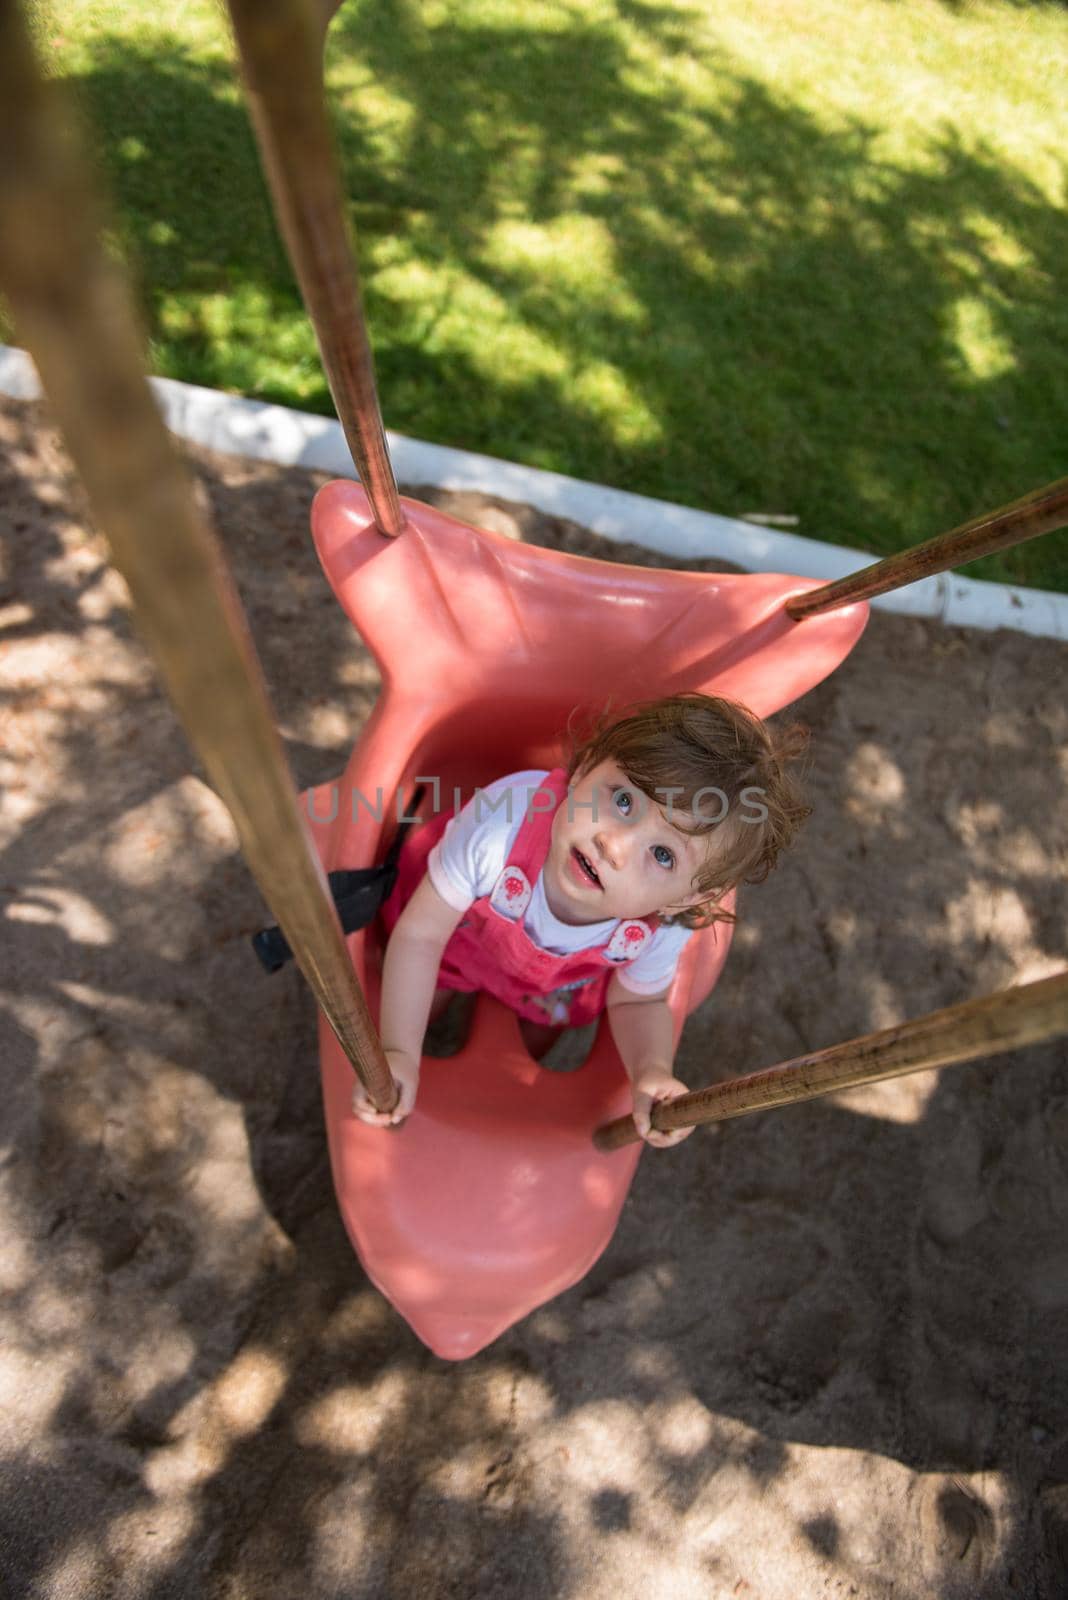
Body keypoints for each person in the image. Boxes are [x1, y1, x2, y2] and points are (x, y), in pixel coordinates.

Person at [352, 694, 810, 1146]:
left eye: (663, 854)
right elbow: (422, 935)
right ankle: (431, 1014)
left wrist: (650, 1070)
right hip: (460, 937)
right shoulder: (506, 821)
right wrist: (399, 1050)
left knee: (542, 1029)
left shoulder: (663, 927)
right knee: (420, 991)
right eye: (624, 800)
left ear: (688, 896)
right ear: (587, 768)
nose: (615, 844)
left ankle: (516, 1039)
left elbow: (638, 1002)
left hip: (558, 981)